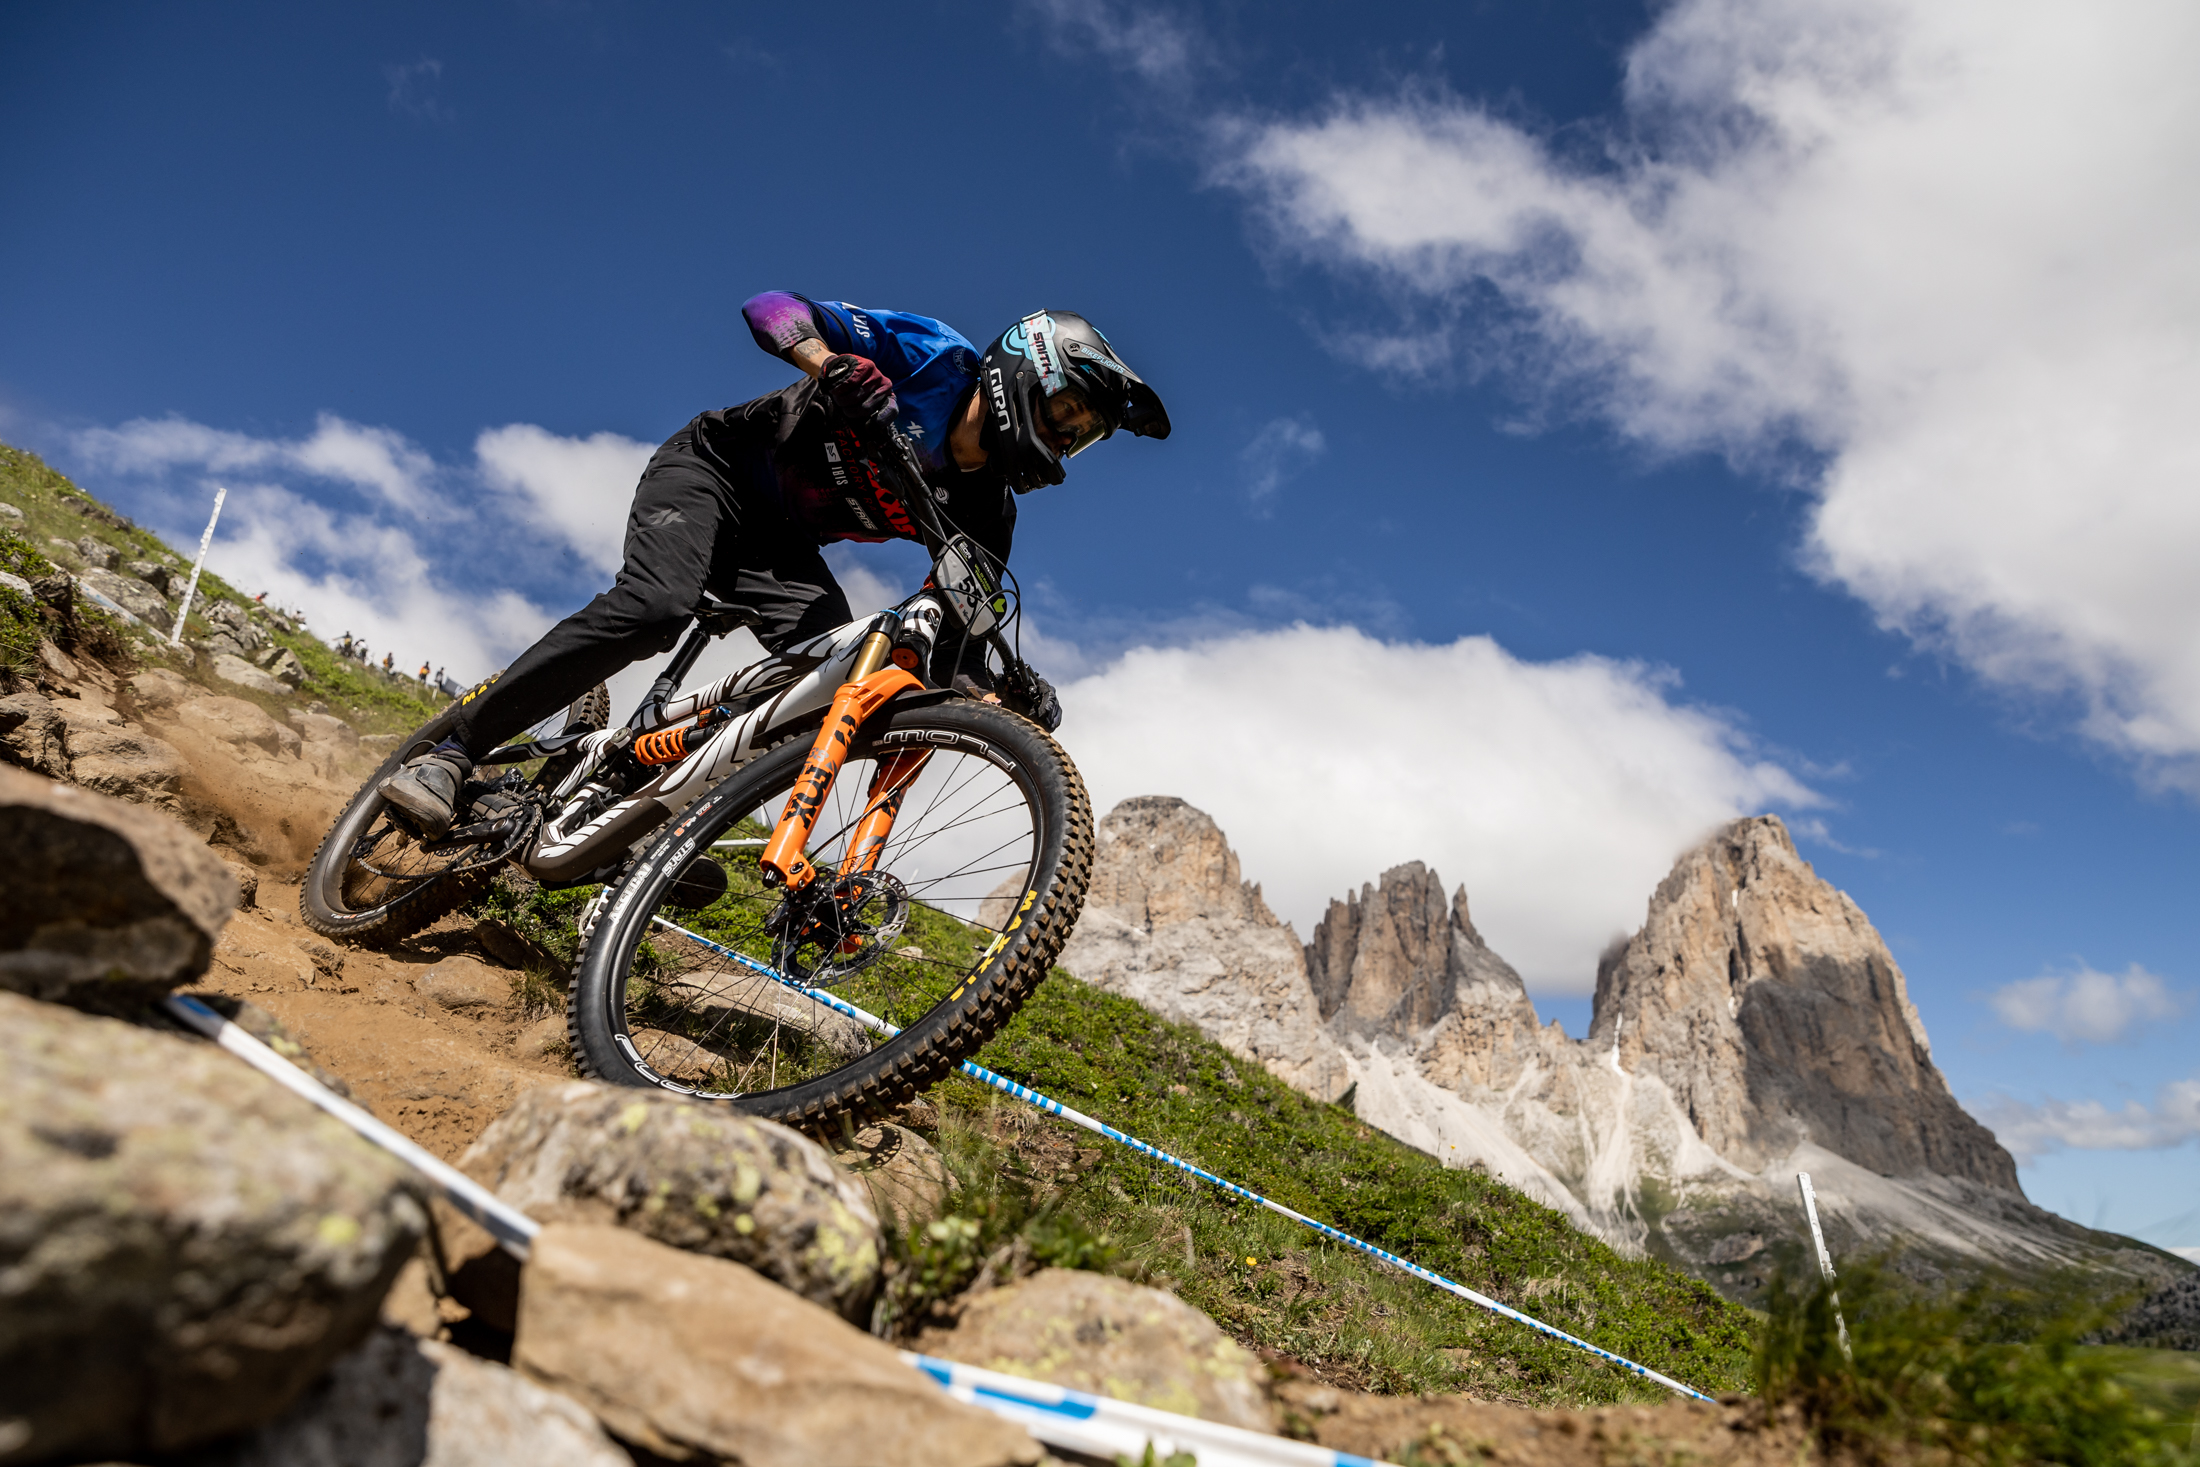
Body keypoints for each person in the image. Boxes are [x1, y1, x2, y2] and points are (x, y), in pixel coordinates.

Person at [379, 293, 1170, 838]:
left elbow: (956, 638)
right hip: (713, 471)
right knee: (655, 607)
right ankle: (452, 752)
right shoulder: (933, 358)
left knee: (827, 689)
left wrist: (1001, 693)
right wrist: (828, 362)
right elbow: (771, 304)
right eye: (1069, 414)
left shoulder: (989, 510)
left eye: (1082, 436)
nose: (1065, 441)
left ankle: (629, 820)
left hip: (779, 549)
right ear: (1025, 372)